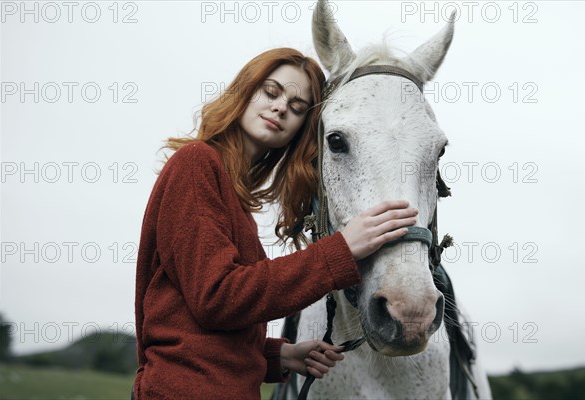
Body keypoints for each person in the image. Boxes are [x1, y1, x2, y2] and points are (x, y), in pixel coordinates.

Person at [133, 48, 419, 399]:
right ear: (245, 91)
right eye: (271, 92)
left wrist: (276, 355)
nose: (282, 107)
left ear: (300, 130)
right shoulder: (196, 165)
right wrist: (340, 251)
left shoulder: (231, 192)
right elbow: (217, 298)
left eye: (298, 108)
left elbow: (198, 327)